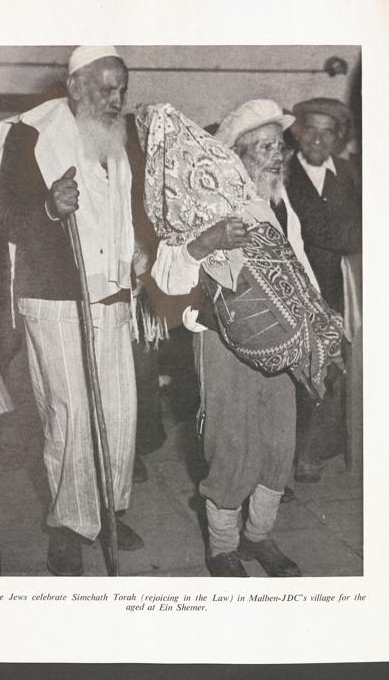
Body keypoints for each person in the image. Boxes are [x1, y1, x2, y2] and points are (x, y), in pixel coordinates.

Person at [149, 100, 320, 577]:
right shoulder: (200, 200)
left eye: (280, 146)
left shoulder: (280, 205)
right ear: (236, 155)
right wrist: (207, 241)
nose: (278, 156)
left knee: (278, 443)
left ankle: (258, 537)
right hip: (222, 343)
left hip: (282, 341)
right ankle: (222, 547)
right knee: (231, 445)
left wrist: (318, 324)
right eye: (265, 147)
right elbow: (166, 278)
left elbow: (301, 269)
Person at [0, 46, 144, 576]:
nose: (116, 99)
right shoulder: (31, 133)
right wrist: (49, 207)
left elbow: (128, 209)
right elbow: (3, 216)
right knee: (71, 415)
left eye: (122, 89)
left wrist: (139, 248)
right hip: (55, 295)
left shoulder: (119, 137)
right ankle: (67, 525)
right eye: (106, 89)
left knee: (120, 413)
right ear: (75, 86)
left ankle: (105, 512)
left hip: (114, 294)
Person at [286, 97, 361, 482]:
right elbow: (322, 230)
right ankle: (293, 452)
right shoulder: (282, 173)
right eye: (310, 130)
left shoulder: (350, 173)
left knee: (335, 372)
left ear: (339, 137)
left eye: (327, 132)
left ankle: (315, 450)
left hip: (341, 291)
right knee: (299, 374)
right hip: (296, 289)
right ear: (297, 132)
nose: (317, 140)